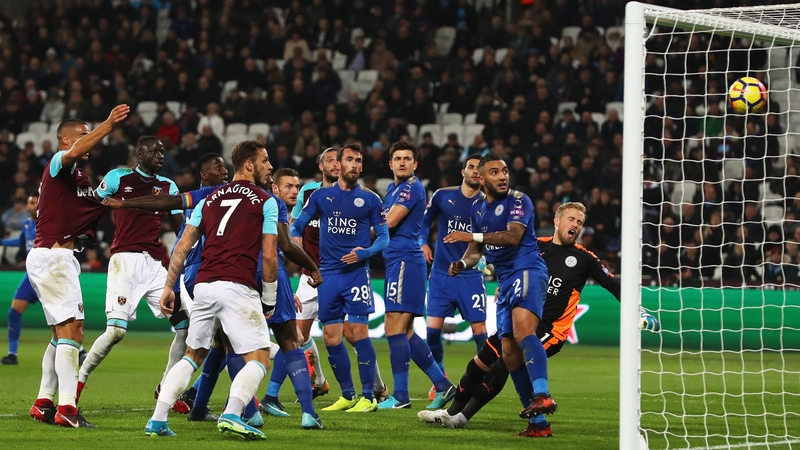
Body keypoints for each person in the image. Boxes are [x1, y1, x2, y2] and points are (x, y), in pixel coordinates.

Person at [419, 202, 661, 436]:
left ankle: (461, 418)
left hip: (549, 330)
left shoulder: (585, 259)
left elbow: (613, 285)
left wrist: (638, 310)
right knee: (477, 365)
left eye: (580, 222)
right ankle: (449, 413)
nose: (575, 225)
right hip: (520, 321)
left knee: (504, 363)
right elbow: (502, 265)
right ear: (557, 221)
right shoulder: (536, 247)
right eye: (571, 219)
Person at [144, 140, 278, 440]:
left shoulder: (210, 199)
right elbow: (269, 255)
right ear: (248, 164)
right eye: (265, 160)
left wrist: (169, 286)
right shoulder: (265, 201)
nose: (269, 166)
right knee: (259, 357)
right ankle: (232, 413)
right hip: (237, 285)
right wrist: (269, 297)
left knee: (193, 355)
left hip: (203, 285)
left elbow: (182, 245)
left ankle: (157, 419)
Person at [27, 105, 131, 429]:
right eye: (82, 137)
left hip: (52, 256)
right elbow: (73, 155)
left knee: (60, 334)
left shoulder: (77, 179)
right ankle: (68, 410)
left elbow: (91, 203)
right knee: (74, 330)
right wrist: (108, 125)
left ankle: (44, 402)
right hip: (54, 257)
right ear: (64, 141)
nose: (88, 142)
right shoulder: (58, 164)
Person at [443, 153, 556, 430]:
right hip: (504, 282)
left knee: (523, 332)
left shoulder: (519, 200)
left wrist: (472, 236)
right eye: (494, 172)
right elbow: (475, 252)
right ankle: (538, 423)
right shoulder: (478, 209)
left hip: (527, 270)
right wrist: (461, 262)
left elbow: (513, 235)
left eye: (504, 170)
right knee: (509, 353)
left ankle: (542, 395)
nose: (503, 176)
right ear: (480, 178)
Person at [77, 137, 188, 413]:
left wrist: (187, 259)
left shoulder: (168, 186)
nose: (161, 155)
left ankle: (167, 389)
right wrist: (86, 236)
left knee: (186, 327)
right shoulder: (118, 177)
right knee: (116, 332)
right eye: (155, 151)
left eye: (164, 151)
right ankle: (78, 382)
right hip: (124, 261)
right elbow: (94, 206)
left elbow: (180, 228)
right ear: (140, 153)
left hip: (155, 266)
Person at [291, 143, 389, 413]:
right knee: (331, 338)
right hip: (328, 276)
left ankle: (368, 396)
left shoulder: (371, 199)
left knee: (358, 333)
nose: (355, 165)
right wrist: (303, 257)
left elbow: (384, 237)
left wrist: (364, 253)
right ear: (340, 165)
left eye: (359, 160)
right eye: (350, 160)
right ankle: (347, 394)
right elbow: (298, 225)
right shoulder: (321, 197)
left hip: (356, 274)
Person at [377, 140, 456, 410]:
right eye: (397, 158)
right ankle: (443, 386)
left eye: (407, 158)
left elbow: (389, 221)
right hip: (397, 262)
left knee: (393, 328)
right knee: (406, 331)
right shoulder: (392, 189)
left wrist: (353, 233)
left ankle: (400, 396)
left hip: (404, 261)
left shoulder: (412, 187)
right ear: (390, 164)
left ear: (415, 164)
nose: (401, 162)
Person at [255, 167, 325, 429]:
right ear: (274, 188)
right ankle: (308, 412)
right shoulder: (274, 205)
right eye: (289, 186)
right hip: (272, 273)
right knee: (290, 341)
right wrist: (313, 267)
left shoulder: (246, 200)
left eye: (297, 186)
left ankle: (250, 406)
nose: (294, 191)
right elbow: (285, 245)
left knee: (229, 345)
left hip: (241, 275)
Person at [418, 154, 488, 399]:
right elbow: (425, 222)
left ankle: (484, 379)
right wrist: (422, 243)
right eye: (471, 167)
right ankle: (441, 380)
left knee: (480, 330)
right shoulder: (442, 195)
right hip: (440, 275)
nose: (475, 171)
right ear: (463, 171)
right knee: (432, 332)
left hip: (471, 275)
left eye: (481, 168)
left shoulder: (489, 203)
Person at [288, 147, 339, 398]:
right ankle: (319, 381)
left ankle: (378, 389)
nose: (336, 164)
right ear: (321, 166)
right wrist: (296, 243)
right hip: (310, 274)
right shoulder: (308, 192)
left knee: (351, 335)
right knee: (298, 335)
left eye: (339, 160)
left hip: (340, 274)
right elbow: (295, 226)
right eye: (330, 160)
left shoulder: (354, 194)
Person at [2, 194, 39, 365]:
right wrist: (2, 241)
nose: (35, 205)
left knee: (59, 317)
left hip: (46, 276)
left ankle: (80, 351)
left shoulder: (47, 223)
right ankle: (12, 355)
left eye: (37, 202)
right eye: (32, 203)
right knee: (13, 312)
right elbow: (21, 241)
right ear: (27, 207)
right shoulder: (26, 224)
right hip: (30, 277)